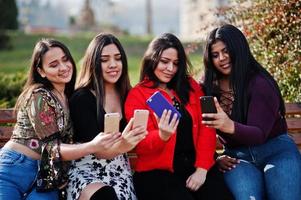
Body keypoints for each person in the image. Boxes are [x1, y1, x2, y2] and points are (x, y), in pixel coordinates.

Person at [0, 39, 122, 199]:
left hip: (47, 176)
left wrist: (62, 173)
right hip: (17, 166)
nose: (63, 67)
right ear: (41, 71)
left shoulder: (70, 97)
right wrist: (92, 146)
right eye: (54, 64)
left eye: (65, 60)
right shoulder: (39, 96)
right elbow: (52, 147)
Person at [202, 24, 301, 200]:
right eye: (215, 55)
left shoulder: (259, 83)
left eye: (226, 51)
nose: (222, 58)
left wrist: (228, 125)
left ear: (238, 49)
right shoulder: (208, 88)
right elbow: (197, 128)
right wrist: (214, 158)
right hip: (237, 158)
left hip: (276, 151)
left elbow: (259, 134)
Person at [124, 33, 216, 200]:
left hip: (197, 166)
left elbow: (207, 124)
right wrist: (161, 136)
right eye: (164, 62)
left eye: (176, 63)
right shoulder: (137, 95)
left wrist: (202, 168)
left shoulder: (190, 86)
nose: (170, 69)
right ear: (152, 59)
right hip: (157, 174)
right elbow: (140, 144)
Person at [67, 33, 147, 200]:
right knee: (106, 196)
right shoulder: (81, 98)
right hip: (87, 172)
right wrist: (124, 144)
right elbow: (99, 152)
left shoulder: (128, 95)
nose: (113, 65)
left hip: (120, 171)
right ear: (93, 63)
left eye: (118, 58)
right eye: (104, 60)